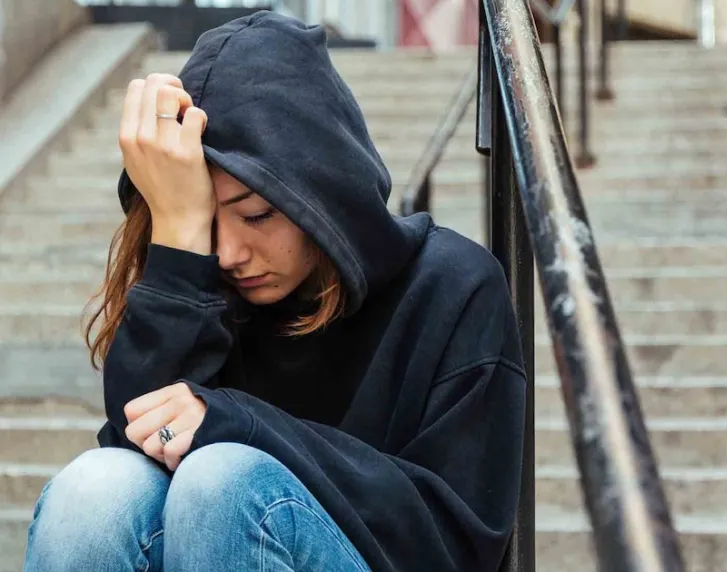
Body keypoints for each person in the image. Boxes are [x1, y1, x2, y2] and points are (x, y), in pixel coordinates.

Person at [23, 10, 527, 572]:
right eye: (207, 222)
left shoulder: (453, 285)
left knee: (224, 484)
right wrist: (178, 242)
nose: (231, 254)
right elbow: (137, 433)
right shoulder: (206, 280)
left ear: (321, 192)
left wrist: (243, 425)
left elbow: (455, 543)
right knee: (93, 490)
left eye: (258, 214)